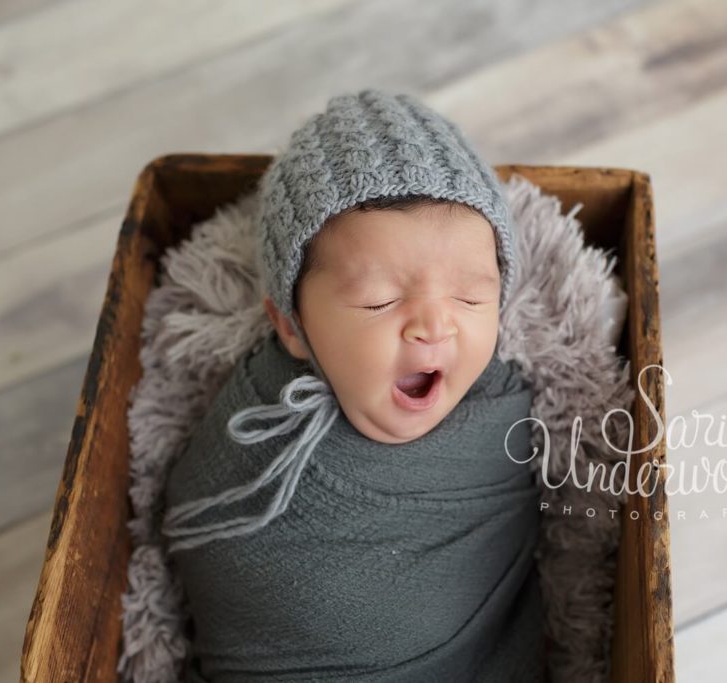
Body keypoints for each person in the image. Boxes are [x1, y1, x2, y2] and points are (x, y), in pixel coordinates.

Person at [162, 88, 545, 682]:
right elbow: (203, 524)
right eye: (379, 300)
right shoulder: (260, 444)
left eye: (471, 295)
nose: (434, 326)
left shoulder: (505, 410)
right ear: (290, 326)